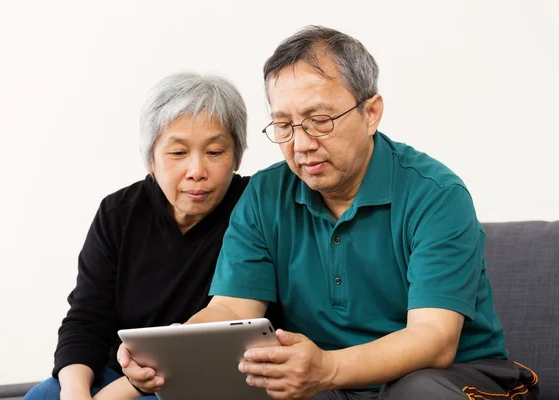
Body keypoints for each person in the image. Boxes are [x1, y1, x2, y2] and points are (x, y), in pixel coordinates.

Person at [119, 26, 540, 400]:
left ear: (370, 112)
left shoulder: (435, 194)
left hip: (456, 379)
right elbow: (230, 310)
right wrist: (176, 347)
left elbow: (434, 339)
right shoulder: (266, 193)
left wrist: (327, 368)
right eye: (283, 125)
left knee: (417, 389)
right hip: (329, 385)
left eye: (318, 120)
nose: (300, 144)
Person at [24, 71, 283, 399]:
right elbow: (86, 318)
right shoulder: (118, 213)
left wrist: (117, 393)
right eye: (177, 153)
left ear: (236, 156)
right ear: (151, 159)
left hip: (210, 381)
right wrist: (75, 392)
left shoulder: (254, 209)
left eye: (215, 152)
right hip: (120, 370)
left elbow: (230, 334)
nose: (196, 171)